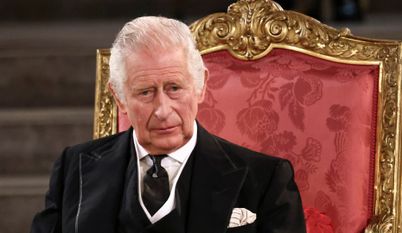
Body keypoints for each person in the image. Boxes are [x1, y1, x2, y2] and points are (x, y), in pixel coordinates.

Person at [31, 16, 306, 233]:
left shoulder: (266, 179)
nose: (163, 110)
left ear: (200, 86)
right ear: (120, 98)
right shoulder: (74, 167)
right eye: (145, 92)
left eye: (174, 88)